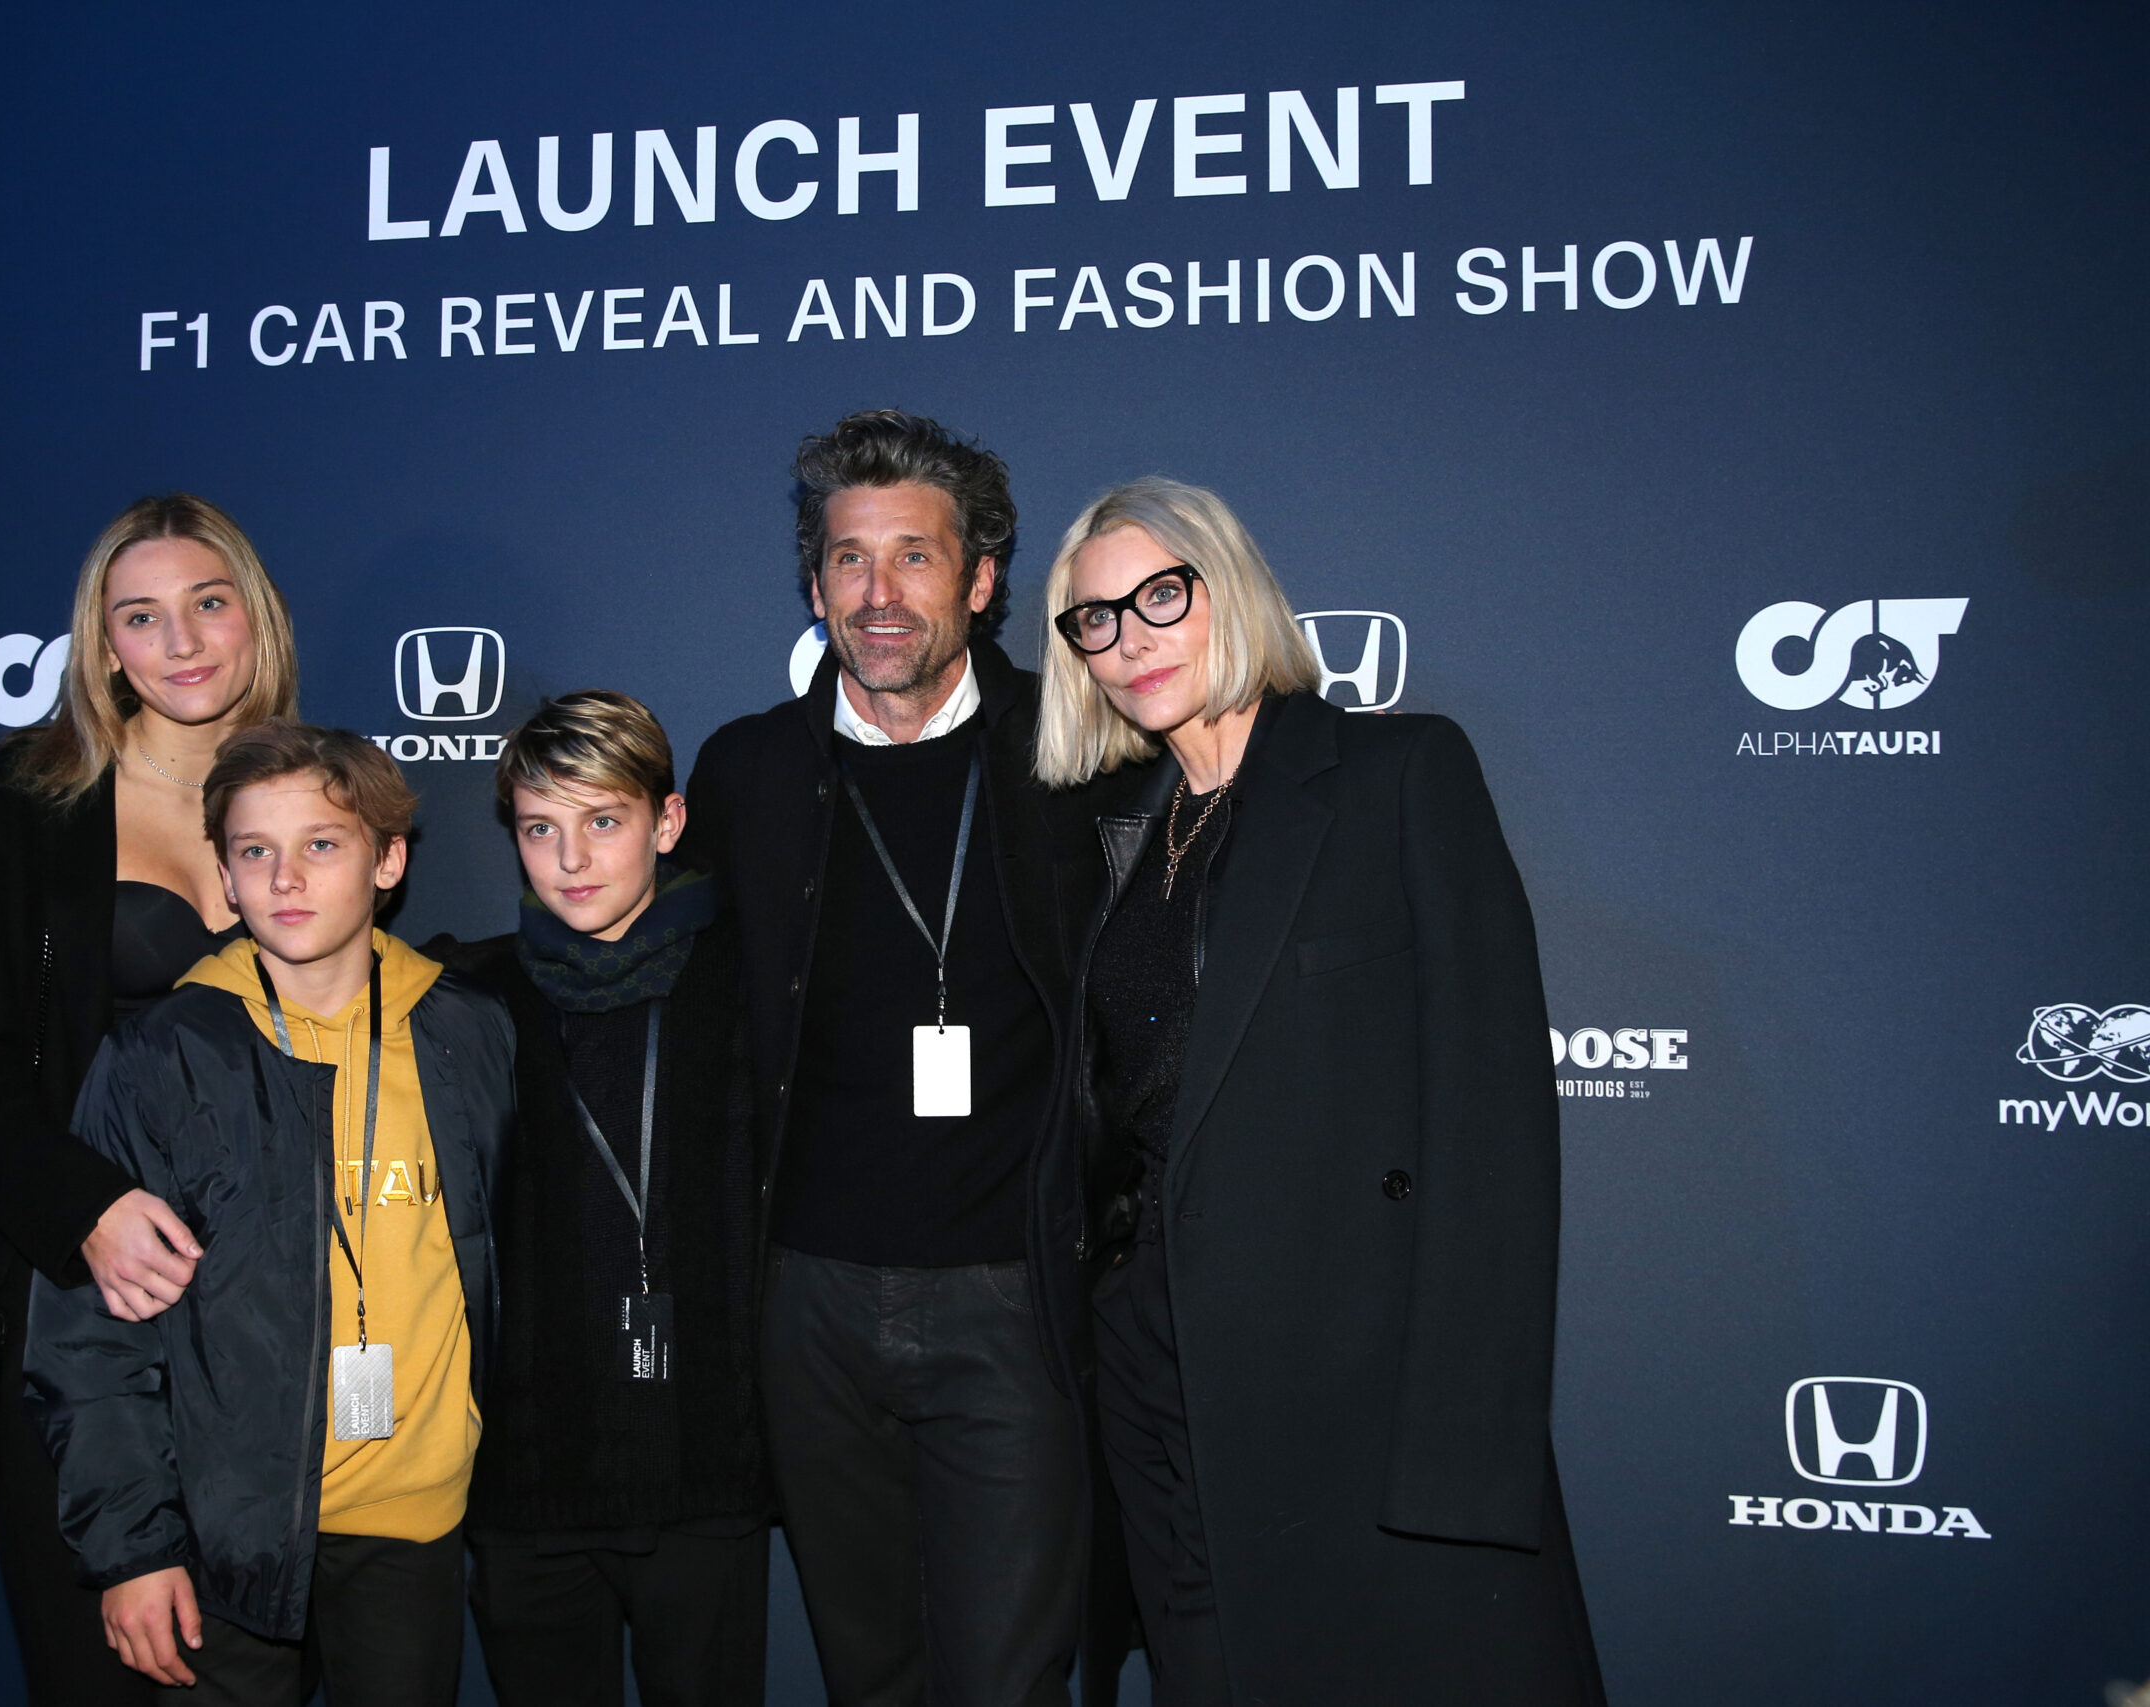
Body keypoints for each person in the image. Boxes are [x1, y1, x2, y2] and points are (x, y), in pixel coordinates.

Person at [1033, 477, 1605, 1705]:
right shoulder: (1119, 827)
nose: (1128, 638)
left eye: (1160, 596)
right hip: (1151, 1361)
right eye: (1095, 619)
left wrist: (1463, 1439)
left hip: (1346, 1369)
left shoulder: (1395, 773)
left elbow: (1492, 1120)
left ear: (1230, 589)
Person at [681, 410, 1127, 1707]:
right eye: (849, 558)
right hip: (809, 1303)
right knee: (867, 1671)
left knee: (1009, 1677)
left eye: (914, 556)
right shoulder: (749, 769)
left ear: (980, 582)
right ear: (815, 585)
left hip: (1014, 1299)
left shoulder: (1079, 748)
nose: (879, 593)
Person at [24, 720, 514, 1703]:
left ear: (388, 861)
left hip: (416, 1526)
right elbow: (91, 1332)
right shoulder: (160, 1056)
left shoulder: (468, 1032)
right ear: (225, 876)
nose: (286, 877)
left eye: (321, 844)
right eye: (255, 851)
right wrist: (132, 1547)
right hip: (225, 1533)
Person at [0, 493, 301, 1704]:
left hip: (271, 1311)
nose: (181, 642)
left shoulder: (314, 788)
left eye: (207, 603)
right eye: (141, 616)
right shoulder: (28, 800)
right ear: (103, 643)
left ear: (254, 616)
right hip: (88, 1300)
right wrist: (85, 1210)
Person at [432, 690, 769, 1707]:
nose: (571, 859)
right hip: (525, 1477)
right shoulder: (468, 999)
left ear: (667, 823)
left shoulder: (752, 982)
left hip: (706, 1466)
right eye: (541, 828)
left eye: (603, 822)